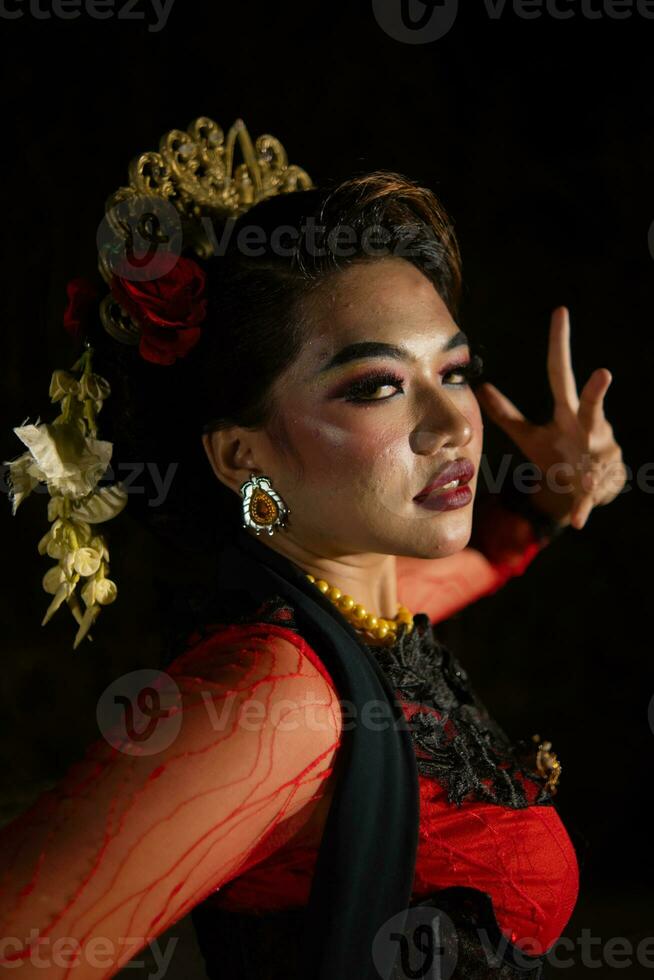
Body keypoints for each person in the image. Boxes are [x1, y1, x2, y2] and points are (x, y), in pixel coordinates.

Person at [0, 117, 626, 980]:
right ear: (240, 456)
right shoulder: (275, 698)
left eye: (452, 372)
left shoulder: (360, 611)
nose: (454, 426)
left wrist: (554, 500)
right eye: (377, 387)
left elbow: (460, 571)